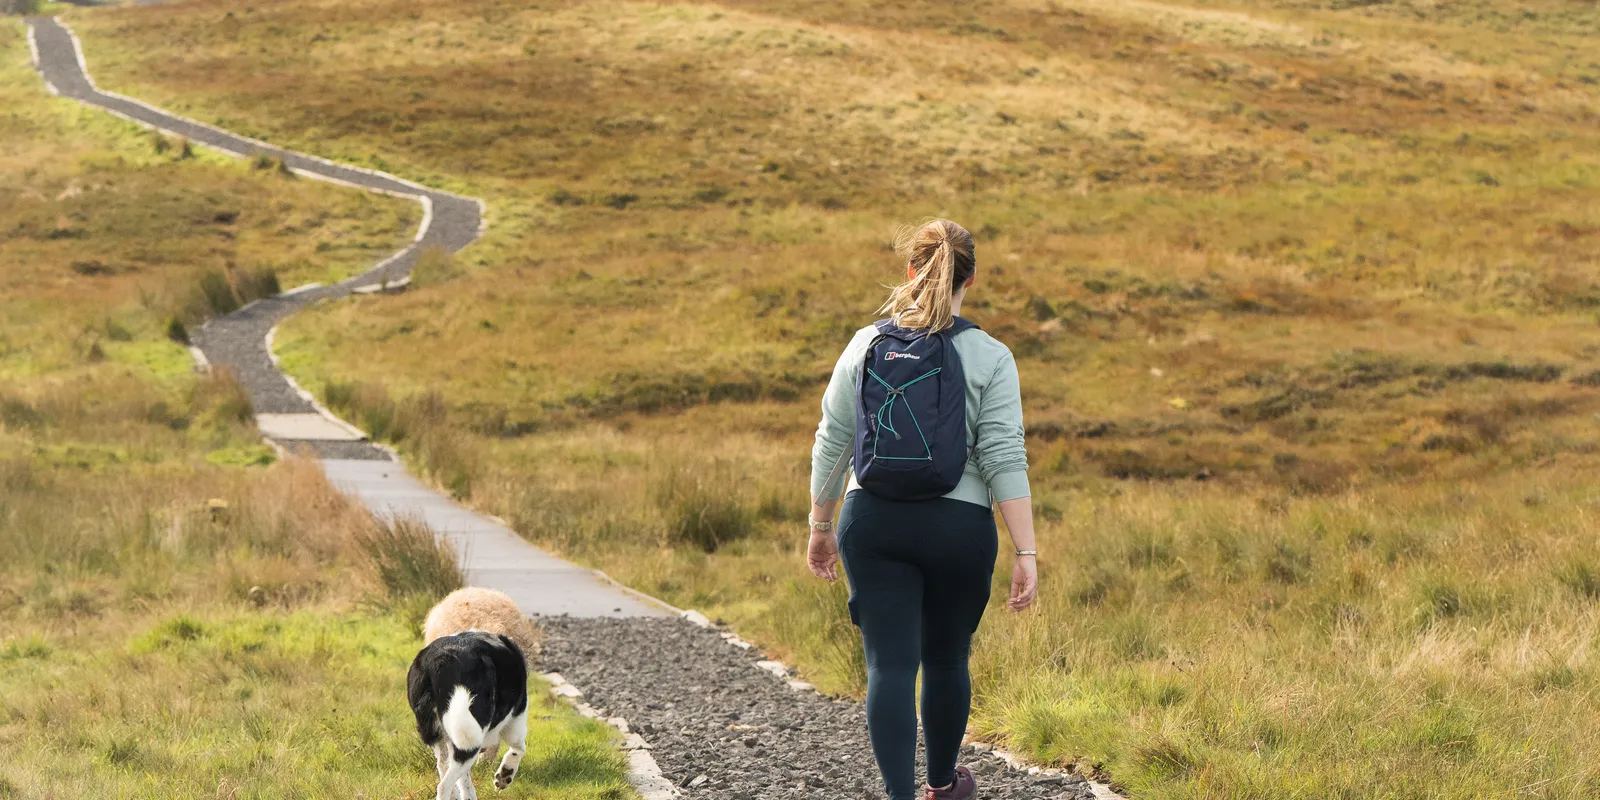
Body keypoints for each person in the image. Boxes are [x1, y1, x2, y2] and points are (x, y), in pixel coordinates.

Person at [807, 218, 1038, 800]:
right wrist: (1025, 550)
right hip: (958, 527)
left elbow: (833, 439)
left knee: (889, 666)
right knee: (945, 660)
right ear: (972, 279)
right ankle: (941, 785)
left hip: (873, 520)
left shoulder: (865, 343)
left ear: (911, 270)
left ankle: (900, 796)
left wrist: (820, 524)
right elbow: (1004, 454)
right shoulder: (990, 355)